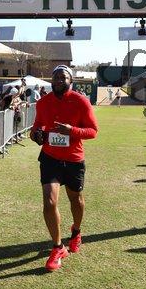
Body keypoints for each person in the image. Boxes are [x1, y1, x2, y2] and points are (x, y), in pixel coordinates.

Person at [29, 65, 98, 271]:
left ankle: (76, 231)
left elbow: (93, 131)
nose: (58, 80)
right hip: (50, 158)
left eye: (63, 77)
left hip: (74, 159)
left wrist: (72, 131)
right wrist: (36, 135)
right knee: (49, 202)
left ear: (71, 81)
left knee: (76, 199)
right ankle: (58, 247)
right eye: (56, 77)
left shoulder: (81, 101)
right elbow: (36, 127)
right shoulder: (43, 102)